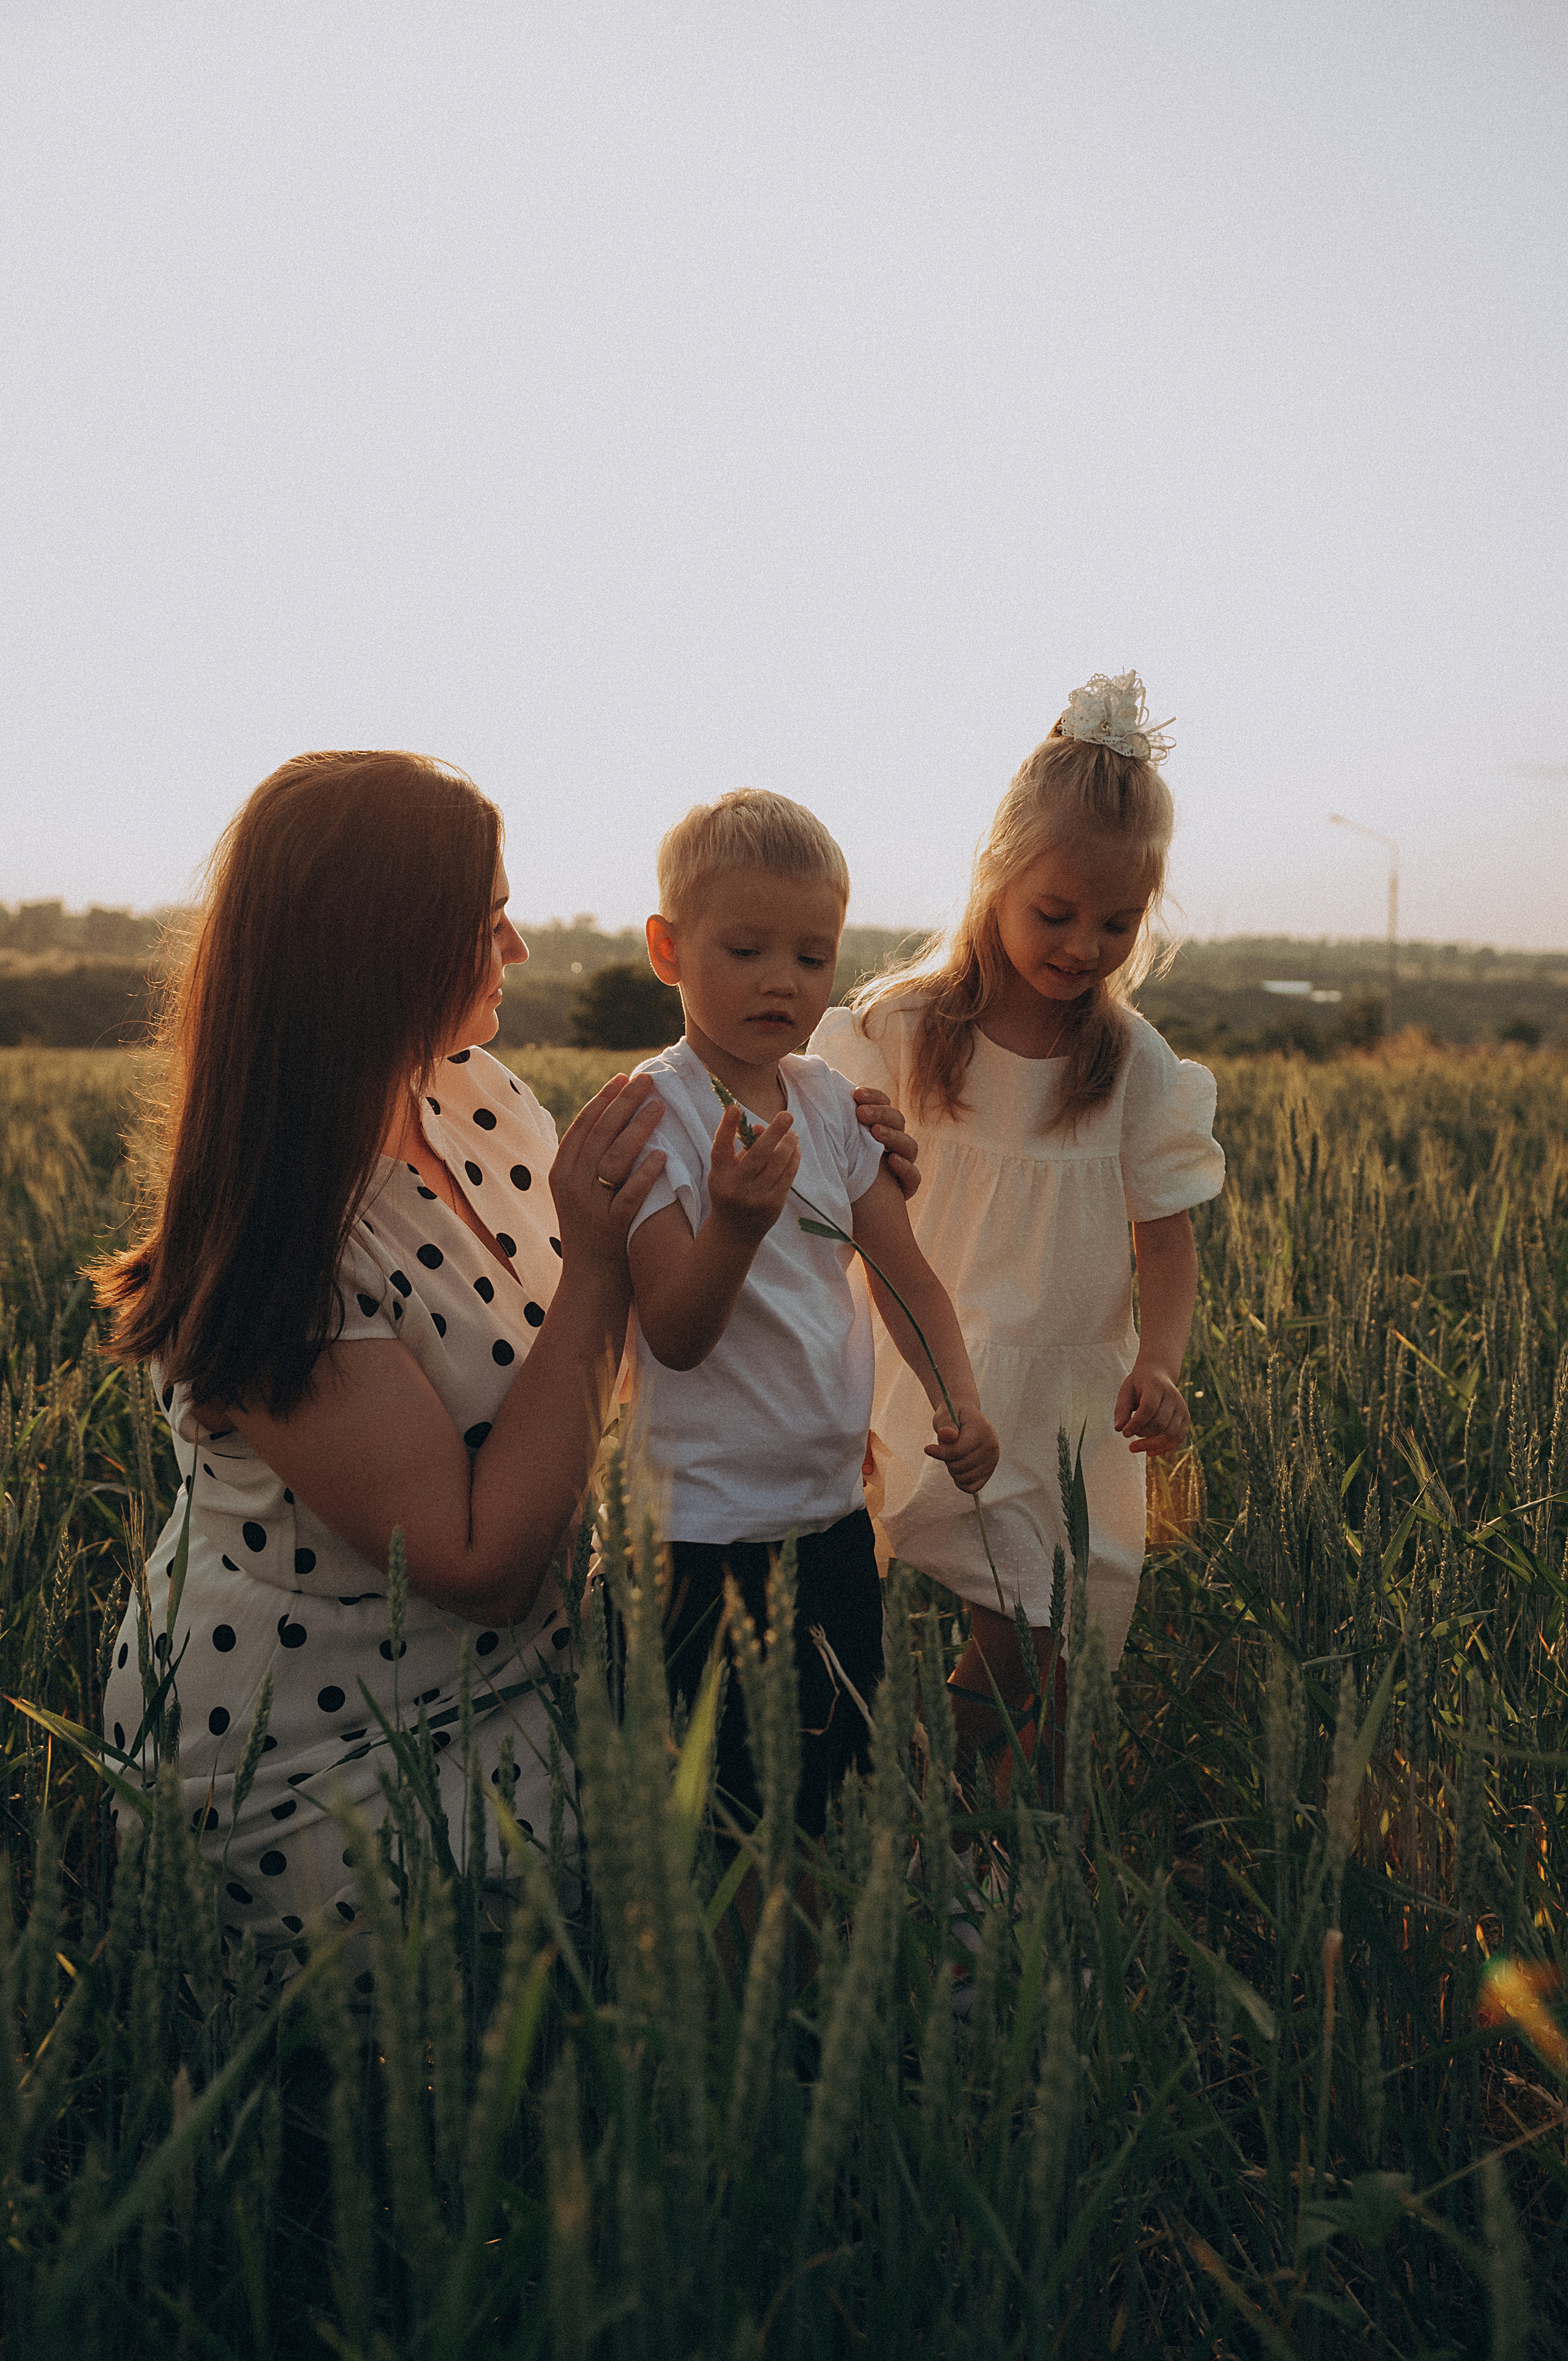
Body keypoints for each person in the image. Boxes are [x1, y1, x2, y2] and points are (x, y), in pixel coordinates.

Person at [94, 750, 921, 1976]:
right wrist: (596, 1270)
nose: (519, 949)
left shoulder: (472, 1095)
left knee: (822, 1874)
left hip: (559, 1661)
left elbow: (651, 1327)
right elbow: (476, 1566)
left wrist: (831, 1170)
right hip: (339, 1748)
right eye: (487, 923)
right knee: (716, 1932)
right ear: (384, 950)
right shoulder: (283, 1240)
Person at [810, 673, 1224, 1778]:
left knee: (1041, 1641)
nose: (1086, 944)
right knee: (842, 1597)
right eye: (1057, 912)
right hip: (923, 1366)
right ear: (996, 874)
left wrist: (1162, 1361)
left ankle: (967, 1817)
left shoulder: (1131, 1064)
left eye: (1118, 923)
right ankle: (878, 1792)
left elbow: (1167, 1240)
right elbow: (829, 1198)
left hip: (1069, 1399)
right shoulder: (901, 1030)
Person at [627, 788, 999, 1842]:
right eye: (745, 949)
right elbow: (674, 1333)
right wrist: (736, 1225)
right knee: (724, 1808)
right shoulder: (652, 1113)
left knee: (835, 1785)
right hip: (699, 1530)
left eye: (811, 954)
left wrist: (959, 1399)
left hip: (831, 1516)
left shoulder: (834, 1104)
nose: (781, 980)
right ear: (668, 948)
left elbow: (906, 1278)